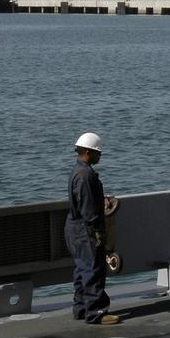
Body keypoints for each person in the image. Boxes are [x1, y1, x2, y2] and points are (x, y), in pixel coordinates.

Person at [65, 132, 118, 325]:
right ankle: (96, 312)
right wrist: (98, 231)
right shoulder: (85, 175)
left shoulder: (77, 171)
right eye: (97, 152)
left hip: (74, 227)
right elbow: (88, 208)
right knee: (93, 269)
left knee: (81, 269)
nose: (99, 156)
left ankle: (80, 308)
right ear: (87, 152)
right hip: (85, 230)